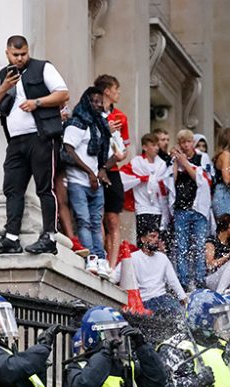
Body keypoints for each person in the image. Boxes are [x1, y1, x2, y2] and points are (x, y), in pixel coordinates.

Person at [0, 35, 70, 255]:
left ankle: (49, 236)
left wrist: (37, 102)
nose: (20, 58)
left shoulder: (43, 67)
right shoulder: (4, 74)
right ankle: (11, 237)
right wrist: (4, 87)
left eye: (23, 54)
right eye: (16, 55)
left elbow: (63, 94)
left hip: (41, 136)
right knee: (12, 188)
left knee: (45, 187)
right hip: (15, 141)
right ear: (7, 53)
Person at [62, 87, 111, 276]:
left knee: (96, 221)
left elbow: (107, 154)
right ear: (86, 101)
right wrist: (89, 172)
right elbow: (68, 150)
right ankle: (90, 257)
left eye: (100, 101)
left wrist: (101, 170)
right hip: (78, 181)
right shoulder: (77, 123)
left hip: (95, 182)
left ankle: (101, 259)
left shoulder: (99, 126)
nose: (98, 105)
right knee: (83, 221)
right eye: (94, 101)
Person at [169, 129, 213, 290]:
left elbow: (203, 179)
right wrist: (175, 161)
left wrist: (185, 163)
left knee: (199, 246)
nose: (186, 145)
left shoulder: (202, 157)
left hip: (198, 208)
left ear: (192, 143)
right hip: (181, 208)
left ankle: (201, 280)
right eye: (183, 142)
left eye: (188, 142)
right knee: (181, 247)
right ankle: (184, 282)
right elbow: (170, 180)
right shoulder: (175, 159)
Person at [95, 74, 129, 268]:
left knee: (113, 219)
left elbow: (124, 148)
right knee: (97, 216)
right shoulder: (92, 113)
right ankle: (100, 258)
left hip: (113, 169)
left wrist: (120, 153)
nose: (118, 93)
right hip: (94, 169)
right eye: (116, 89)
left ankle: (113, 264)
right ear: (107, 90)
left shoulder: (121, 117)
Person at [127, 222, 187, 314]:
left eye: (157, 237)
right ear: (143, 239)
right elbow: (115, 276)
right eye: (152, 236)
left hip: (163, 298)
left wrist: (183, 297)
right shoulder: (132, 258)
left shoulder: (162, 257)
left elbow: (173, 281)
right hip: (145, 301)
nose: (156, 240)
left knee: (178, 314)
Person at [122, 132, 170, 233]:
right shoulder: (136, 162)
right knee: (144, 238)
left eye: (157, 145)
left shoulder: (162, 164)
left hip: (158, 208)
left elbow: (165, 184)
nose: (156, 148)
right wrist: (140, 179)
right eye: (153, 145)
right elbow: (124, 177)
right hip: (142, 207)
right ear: (144, 147)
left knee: (156, 238)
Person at [204, 214, 230, 296]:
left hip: (226, 279)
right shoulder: (211, 241)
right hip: (212, 279)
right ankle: (219, 293)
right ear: (229, 226)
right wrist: (228, 256)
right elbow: (210, 265)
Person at [212, 128, 230, 220]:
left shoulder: (219, 155)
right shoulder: (226, 155)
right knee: (229, 228)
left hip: (222, 194)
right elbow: (227, 179)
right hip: (223, 195)